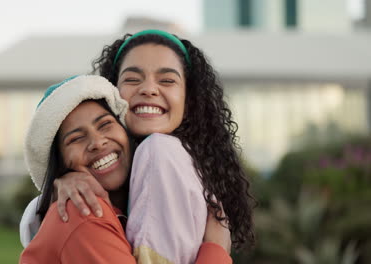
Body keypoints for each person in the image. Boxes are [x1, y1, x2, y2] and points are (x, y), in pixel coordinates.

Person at [21, 30, 255, 263]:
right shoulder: (82, 209)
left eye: (167, 80)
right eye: (132, 79)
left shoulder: (174, 170)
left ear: (190, 99)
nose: (149, 89)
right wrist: (215, 251)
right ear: (113, 96)